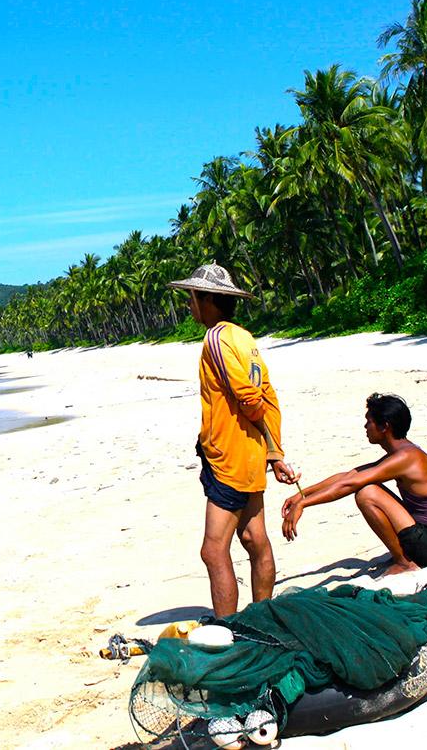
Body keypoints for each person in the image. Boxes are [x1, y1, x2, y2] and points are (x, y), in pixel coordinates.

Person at [167, 264, 300, 617]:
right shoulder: (244, 338)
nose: (190, 306)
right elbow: (269, 396)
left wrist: (259, 428)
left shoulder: (216, 338)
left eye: (192, 299)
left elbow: (251, 398)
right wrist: (273, 453)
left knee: (213, 551)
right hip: (251, 455)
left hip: (230, 458)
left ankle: (230, 631)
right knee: (256, 541)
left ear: (209, 299)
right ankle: (264, 618)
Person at [279, 393, 427, 576]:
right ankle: (403, 556)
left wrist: (304, 504)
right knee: (364, 485)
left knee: (367, 493)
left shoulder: (407, 458)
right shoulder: (403, 453)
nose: (365, 427)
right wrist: (301, 495)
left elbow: (350, 484)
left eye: (369, 421)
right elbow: (350, 475)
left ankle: (404, 562)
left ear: (384, 427)